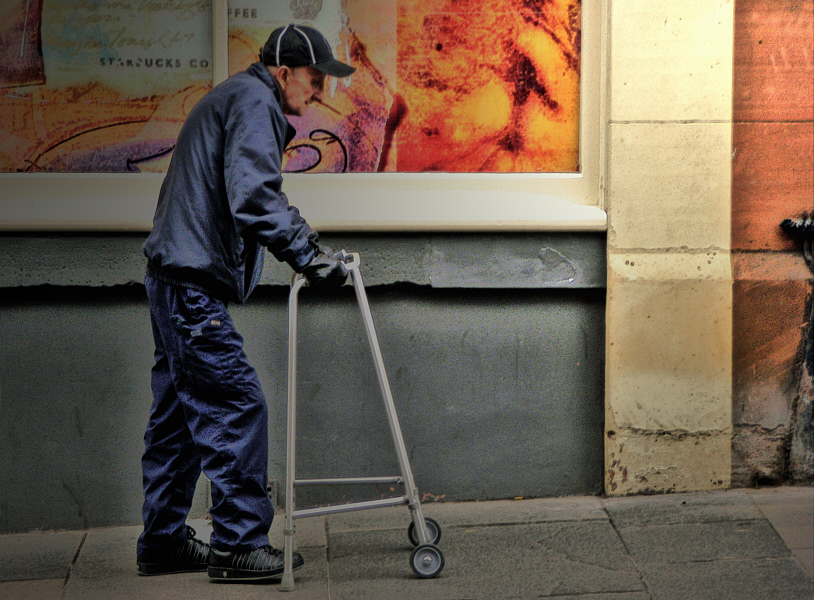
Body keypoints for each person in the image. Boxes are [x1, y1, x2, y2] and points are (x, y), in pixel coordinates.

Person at [135, 24, 356, 583]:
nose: (318, 92)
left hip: (172, 278)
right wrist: (309, 255)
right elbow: (255, 195)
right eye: (313, 78)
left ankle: (162, 542)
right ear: (284, 72)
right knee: (236, 404)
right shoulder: (255, 101)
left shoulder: (237, 96)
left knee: (179, 419)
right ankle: (238, 545)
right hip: (189, 286)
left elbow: (247, 194)